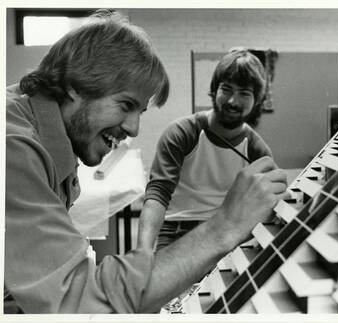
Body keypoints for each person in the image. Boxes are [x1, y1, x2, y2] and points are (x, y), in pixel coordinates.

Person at [5, 10, 288, 314]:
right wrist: (224, 226)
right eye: (125, 105)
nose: (134, 129)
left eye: (139, 112)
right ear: (76, 84)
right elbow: (78, 302)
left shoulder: (49, 133)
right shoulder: (14, 148)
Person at [138, 50, 274, 251]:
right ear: (214, 90)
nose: (232, 101)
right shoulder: (182, 133)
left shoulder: (256, 149)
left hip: (228, 233)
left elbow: (267, 202)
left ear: (257, 101)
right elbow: (158, 194)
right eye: (226, 89)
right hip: (178, 230)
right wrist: (143, 253)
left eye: (244, 93)